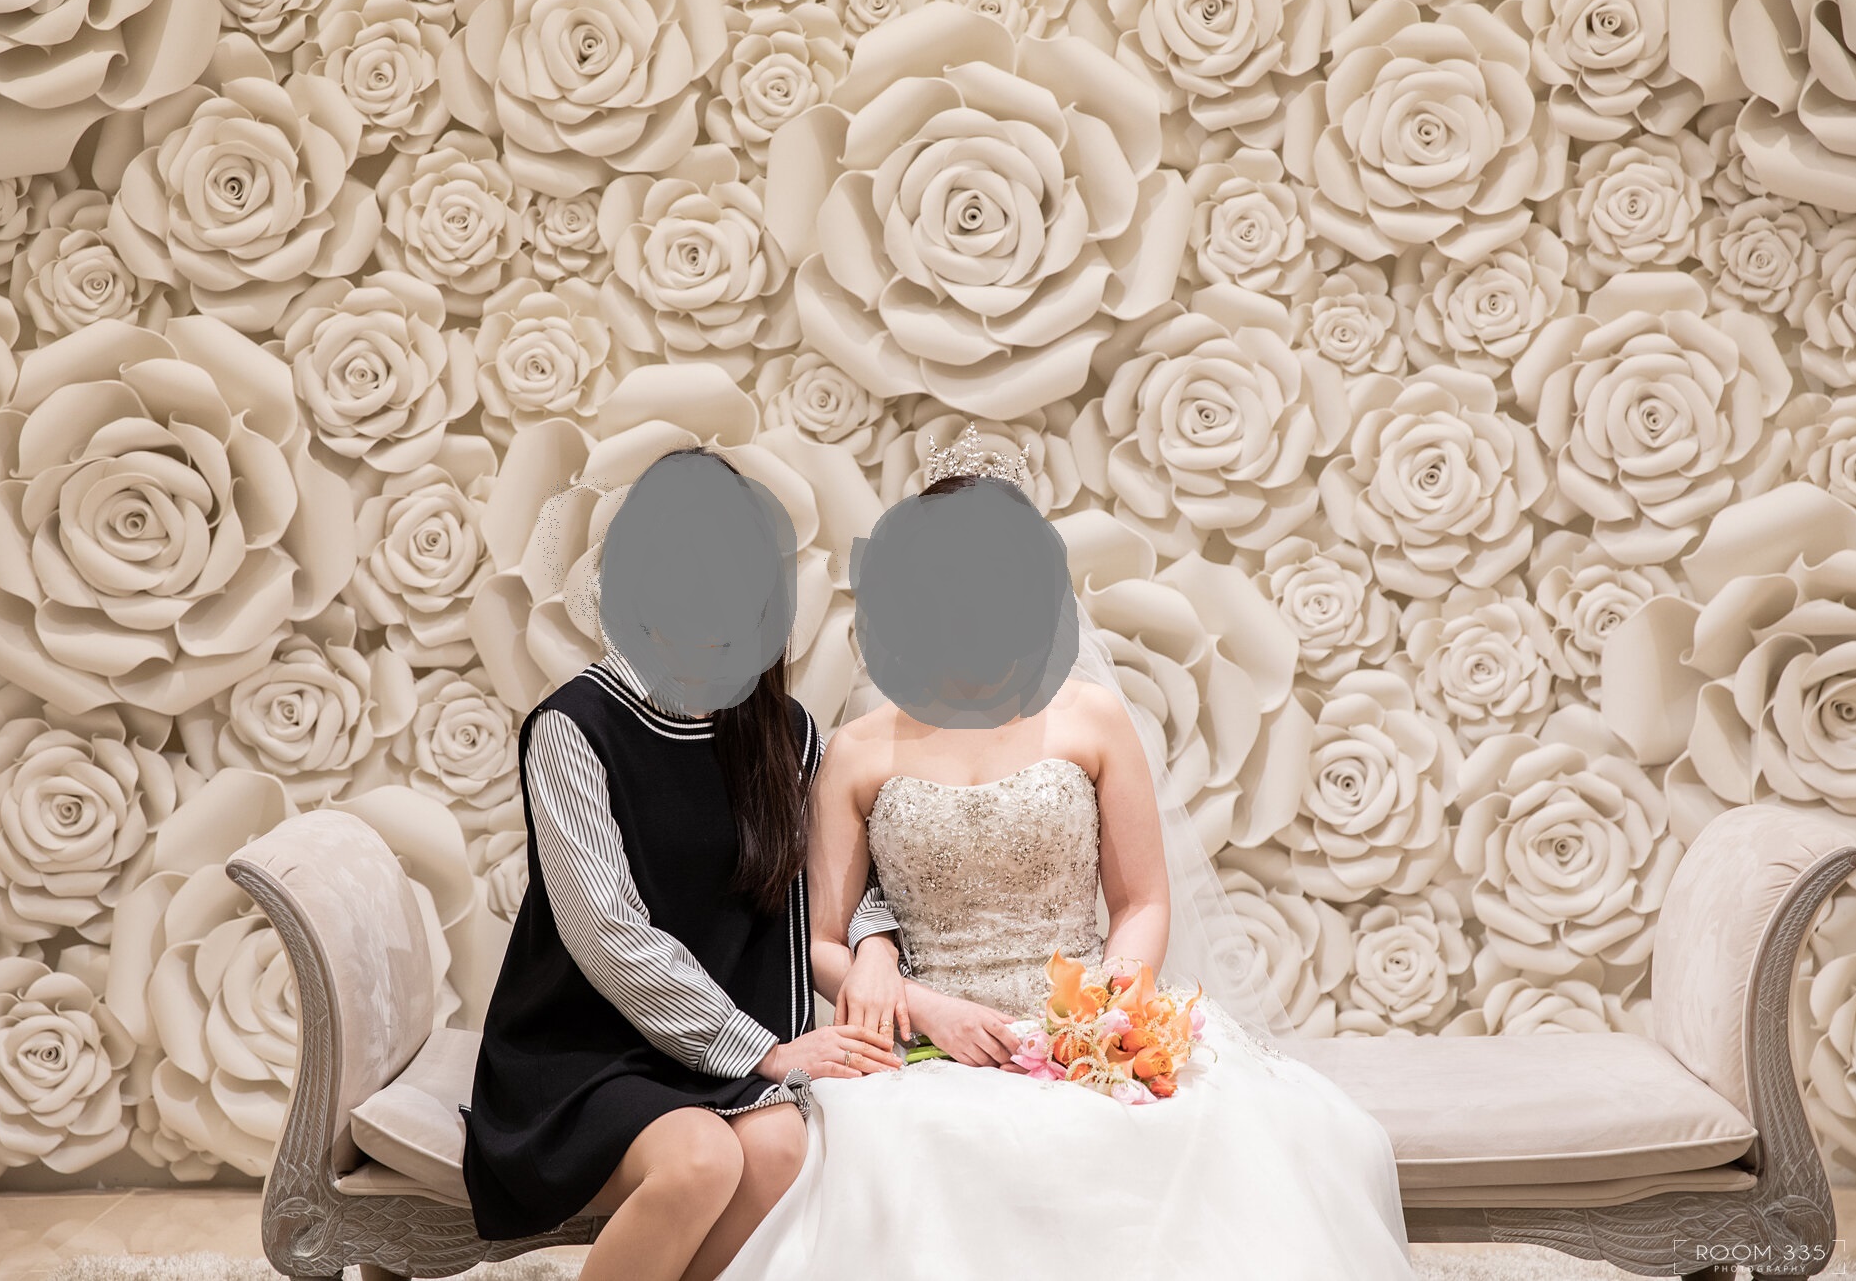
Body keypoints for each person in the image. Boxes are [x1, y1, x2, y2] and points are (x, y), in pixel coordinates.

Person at [711, 434, 1418, 1280]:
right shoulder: (858, 751)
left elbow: (1141, 901)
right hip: (925, 1047)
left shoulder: (1090, 719)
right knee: (907, 1149)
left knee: (1224, 1143)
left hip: (1079, 1028)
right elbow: (824, 941)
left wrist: (1104, 1017)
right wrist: (923, 1007)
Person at [459, 447, 901, 1281]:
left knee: (777, 1148)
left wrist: (874, 946)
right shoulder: (574, 726)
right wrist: (761, 1051)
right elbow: (608, 935)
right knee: (702, 1159)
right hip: (584, 1050)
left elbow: (846, 878)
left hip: (717, 1050)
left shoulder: (785, 732)